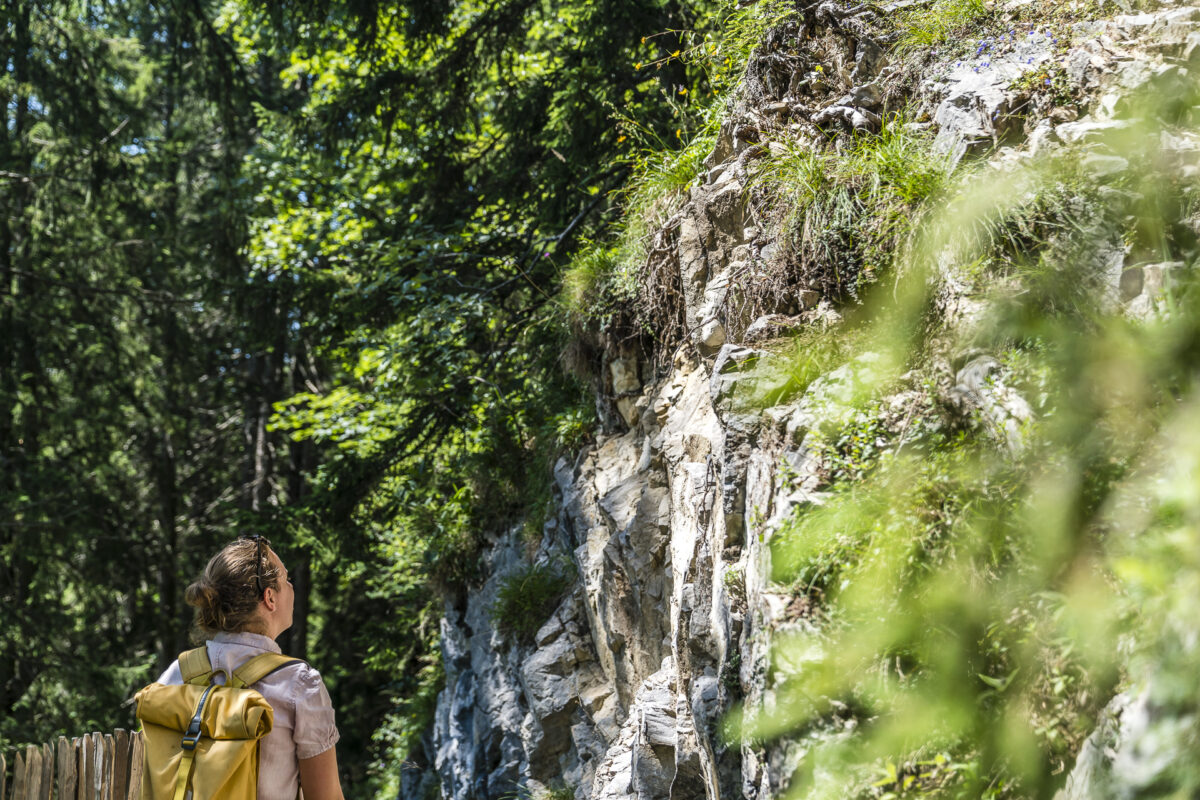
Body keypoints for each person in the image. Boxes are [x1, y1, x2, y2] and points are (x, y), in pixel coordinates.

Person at [155, 536, 345, 800]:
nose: (292, 587)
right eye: (286, 580)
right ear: (270, 598)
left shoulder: (178, 672)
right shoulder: (299, 684)